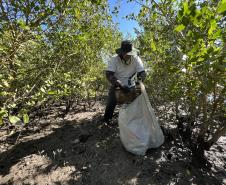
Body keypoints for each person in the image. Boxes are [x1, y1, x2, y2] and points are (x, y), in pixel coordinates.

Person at [103, 40, 146, 124]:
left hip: (131, 83)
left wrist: (142, 77)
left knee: (133, 103)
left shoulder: (136, 58)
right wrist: (120, 85)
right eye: (125, 53)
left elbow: (142, 71)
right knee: (111, 102)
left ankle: (131, 120)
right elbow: (109, 75)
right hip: (116, 83)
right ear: (121, 52)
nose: (127, 55)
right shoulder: (114, 59)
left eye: (129, 53)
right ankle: (107, 120)